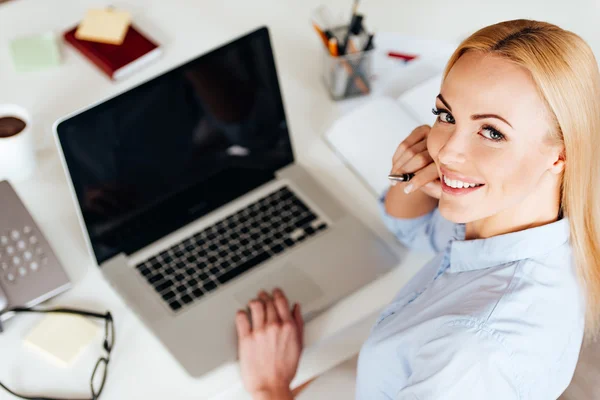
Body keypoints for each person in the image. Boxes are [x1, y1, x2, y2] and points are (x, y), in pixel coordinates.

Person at [234, 19, 600, 399]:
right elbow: (415, 229)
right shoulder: (525, 214)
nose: (447, 150)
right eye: (446, 114)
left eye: (492, 132)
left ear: (561, 155)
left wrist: (269, 387)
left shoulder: (473, 355)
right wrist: (411, 178)